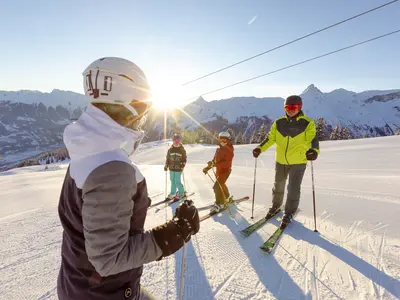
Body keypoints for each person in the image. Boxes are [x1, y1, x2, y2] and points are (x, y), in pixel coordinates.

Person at [57, 57, 200, 300]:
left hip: (77, 285)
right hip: (105, 293)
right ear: (125, 104)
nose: (143, 117)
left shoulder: (86, 149)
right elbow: (108, 259)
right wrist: (172, 234)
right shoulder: (112, 168)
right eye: (142, 106)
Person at [252, 95, 319, 225]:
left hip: (298, 162)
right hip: (281, 161)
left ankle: (289, 212)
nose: (290, 110)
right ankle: (276, 205)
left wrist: (314, 151)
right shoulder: (279, 122)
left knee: (293, 188)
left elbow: (313, 139)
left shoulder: (307, 123)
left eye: (293, 107)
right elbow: (270, 138)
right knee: (278, 185)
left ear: (299, 107)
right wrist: (260, 148)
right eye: (287, 107)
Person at [203, 131, 234, 213]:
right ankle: (227, 197)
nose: (223, 142)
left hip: (226, 171)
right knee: (221, 185)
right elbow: (214, 161)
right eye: (221, 140)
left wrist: (216, 164)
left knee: (217, 187)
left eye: (225, 141)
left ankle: (219, 204)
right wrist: (208, 167)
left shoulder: (229, 150)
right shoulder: (218, 149)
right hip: (219, 171)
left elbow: (227, 163)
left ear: (228, 140)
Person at [164, 134, 187, 199]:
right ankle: (173, 193)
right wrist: (166, 165)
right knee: (172, 181)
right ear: (173, 141)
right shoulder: (170, 150)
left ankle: (181, 193)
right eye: (175, 140)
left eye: (178, 140)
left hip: (178, 168)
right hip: (171, 168)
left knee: (177, 181)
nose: (176, 142)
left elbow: (184, 159)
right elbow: (168, 159)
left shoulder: (182, 149)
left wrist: (183, 163)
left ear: (179, 141)